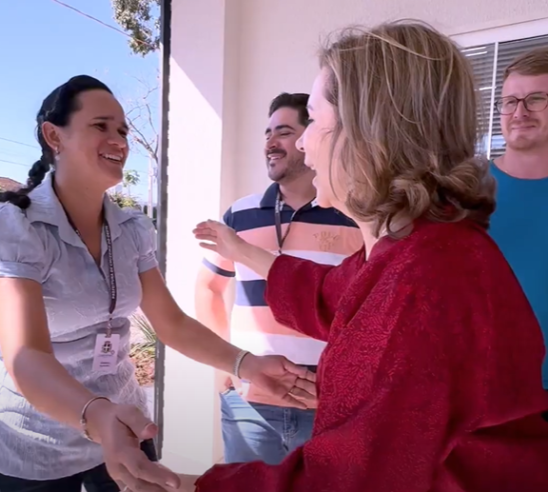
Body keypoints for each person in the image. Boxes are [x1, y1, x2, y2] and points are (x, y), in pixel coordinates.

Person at [187, 21, 548, 492]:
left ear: (369, 133)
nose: (301, 143)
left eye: (314, 120)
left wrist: (183, 485)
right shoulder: (412, 251)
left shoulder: (428, 280)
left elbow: (352, 481)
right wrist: (241, 253)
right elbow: (332, 295)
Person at [0, 75, 312, 492]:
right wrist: (95, 414)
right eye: (101, 126)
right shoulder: (14, 223)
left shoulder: (132, 226)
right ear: (53, 135)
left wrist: (249, 365)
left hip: (125, 424)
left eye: (122, 130)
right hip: (37, 438)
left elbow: (171, 324)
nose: (118, 140)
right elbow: (25, 356)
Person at [195, 92, 362, 464]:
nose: (270, 143)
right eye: (267, 133)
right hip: (250, 405)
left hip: (328, 407)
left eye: (283, 132)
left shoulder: (353, 217)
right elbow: (208, 287)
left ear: (310, 138)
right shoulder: (240, 214)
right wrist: (227, 364)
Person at [488, 47, 548, 411]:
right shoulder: (461, 192)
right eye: (509, 102)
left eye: (536, 99)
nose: (519, 112)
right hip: (487, 390)